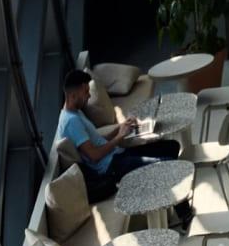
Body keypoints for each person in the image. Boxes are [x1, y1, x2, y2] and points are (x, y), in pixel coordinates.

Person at [58, 68, 183, 205]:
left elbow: (98, 142)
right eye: (86, 92)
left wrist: (120, 127)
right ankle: (183, 209)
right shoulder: (71, 122)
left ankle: (167, 193)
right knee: (167, 164)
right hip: (112, 167)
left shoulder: (76, 113)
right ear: (73, 95)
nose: (89, 96)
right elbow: (94, 156)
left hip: (118, 154)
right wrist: (119, 137)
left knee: (172, 146)